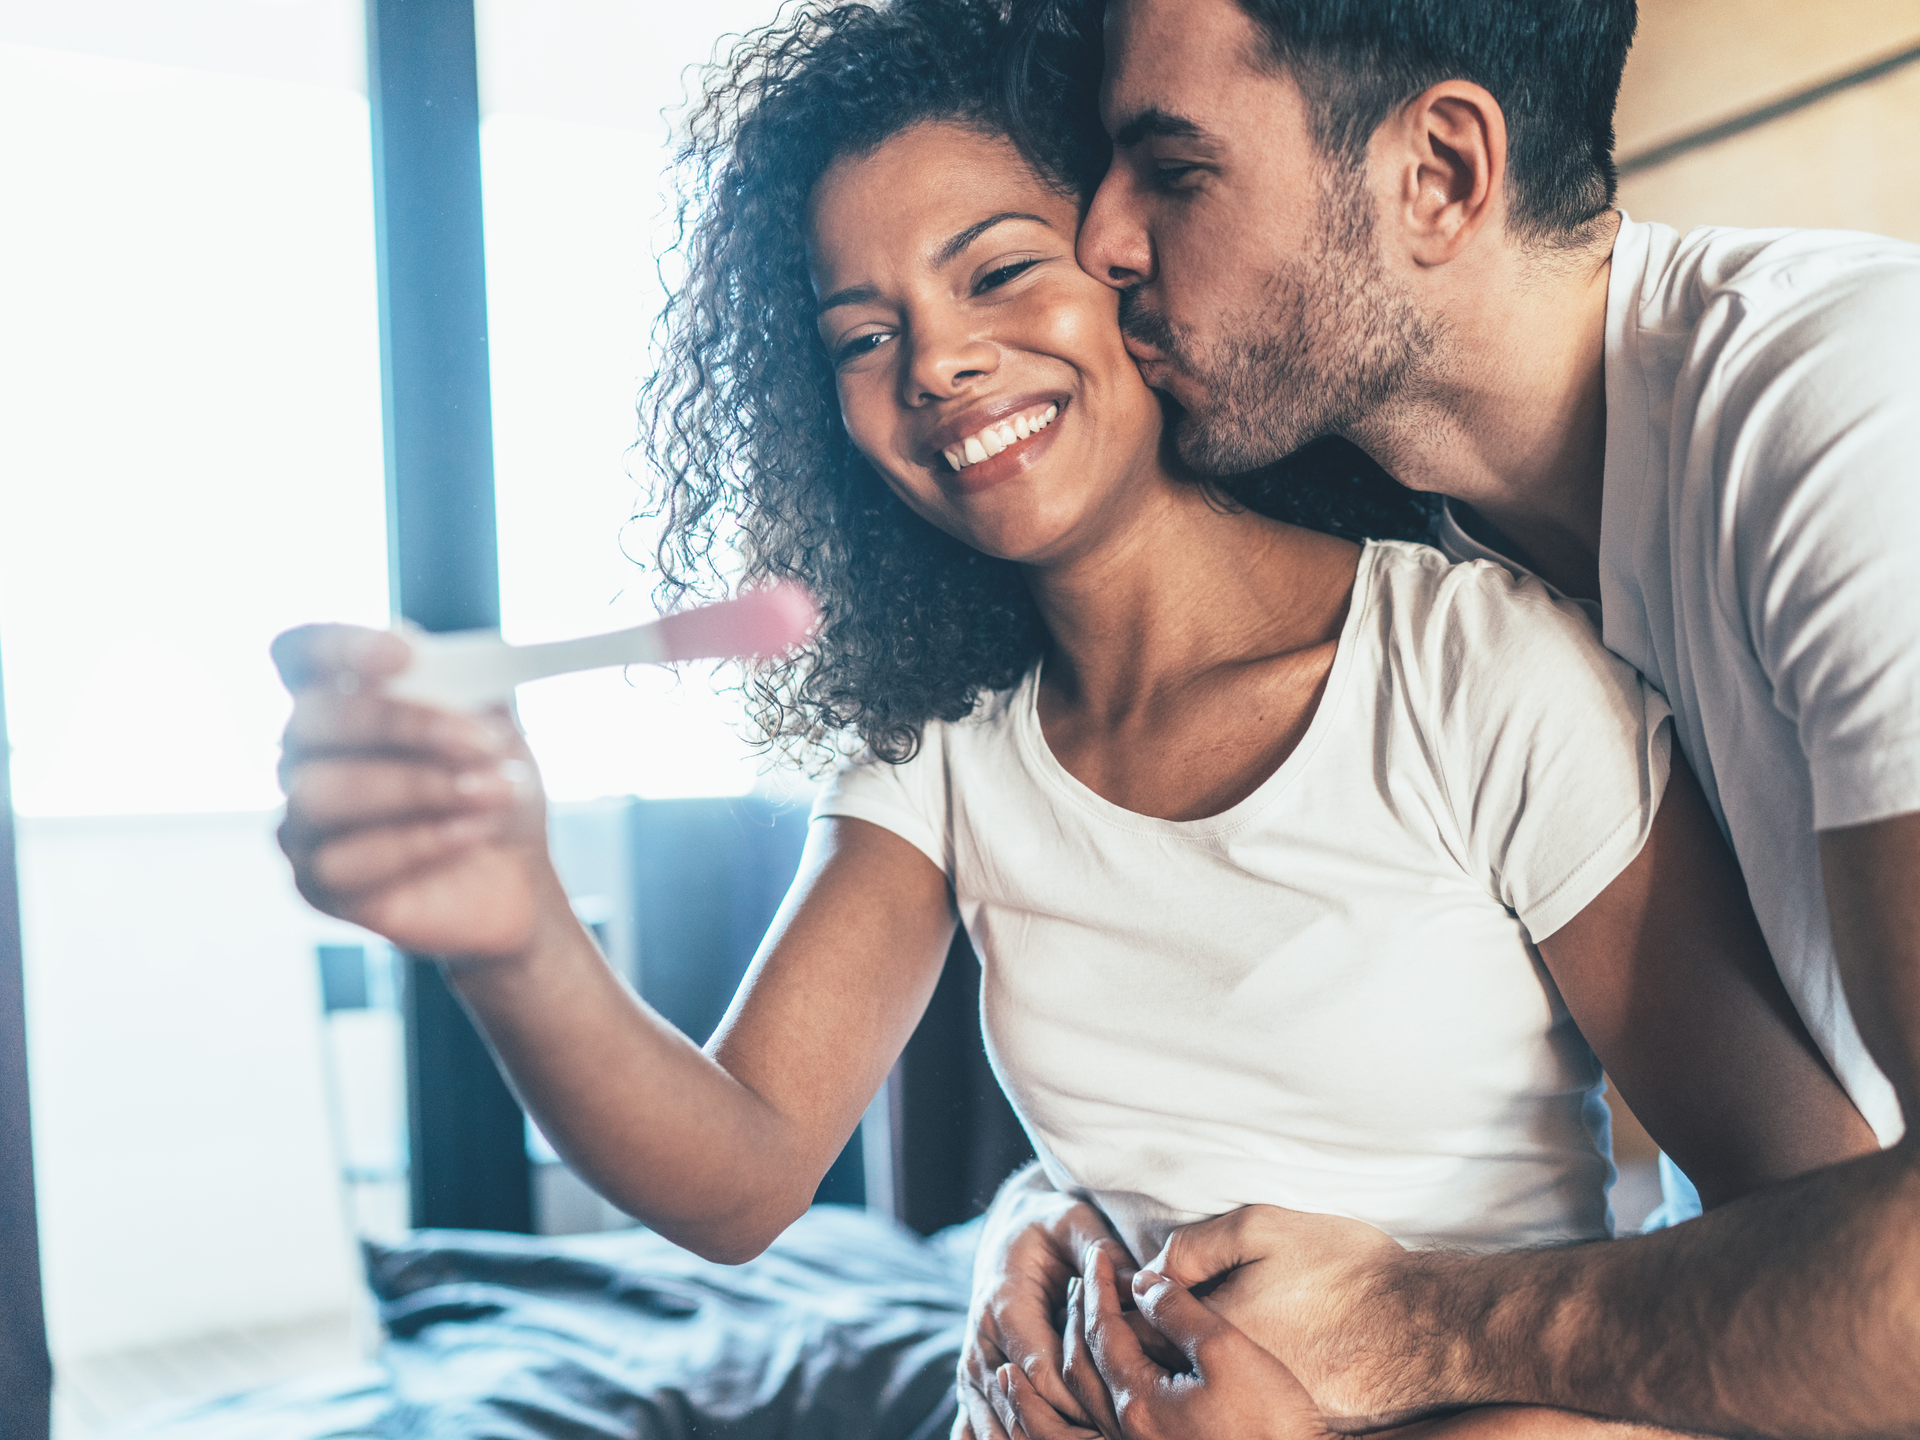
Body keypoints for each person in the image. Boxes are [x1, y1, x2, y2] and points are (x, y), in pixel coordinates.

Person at [267, 3, 1875, 1437]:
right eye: (864, 337)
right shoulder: (944, 741)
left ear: (1129, 277)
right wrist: (512, 934)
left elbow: (1798, 1217)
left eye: (999, 269)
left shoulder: (1474, 667)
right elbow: (745, 1168)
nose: (942, 361)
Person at [968, 0, 1920, 1436]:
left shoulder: (1854, 415)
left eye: (1174, 170)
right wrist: (1044, 1226)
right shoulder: (1417, 564)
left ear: (1441, 174)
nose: (1099, 239)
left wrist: (1415, 1323)